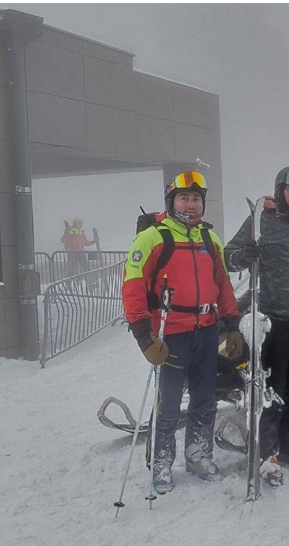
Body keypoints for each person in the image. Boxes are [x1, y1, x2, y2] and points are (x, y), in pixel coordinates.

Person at [122, 170, 243, 494]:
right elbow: (132, 286)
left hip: (206, 331)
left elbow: (222, 284)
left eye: (196, 199)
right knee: (170, 403)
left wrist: (232, 324)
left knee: (204, 399)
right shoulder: (153, 237)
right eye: (184, 198)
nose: (191, 204)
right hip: (170, 334)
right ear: (171, 201)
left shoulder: (209, 239)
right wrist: (143, 335)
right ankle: (161, 462)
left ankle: (198, 455)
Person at [225, 166, 289, 485]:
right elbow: (228, 256)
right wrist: (244, 256)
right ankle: (266, 450)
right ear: (280, 191)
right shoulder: (260, 222)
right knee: (271, 388)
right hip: (274, 320)